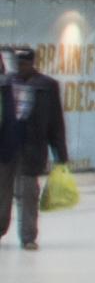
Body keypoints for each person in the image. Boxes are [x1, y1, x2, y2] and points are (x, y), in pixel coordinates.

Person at [0, 47, 67, 247]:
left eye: (23, 63)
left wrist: (60, 154)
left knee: (28, 194)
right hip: (6, 147)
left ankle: (28, 237)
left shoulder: (46, 86)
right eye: (17, 63)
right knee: (2, 192)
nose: (20, 67)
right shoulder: (6, 83)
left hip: (32, 148)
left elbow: (56, 121)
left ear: (32, 62)